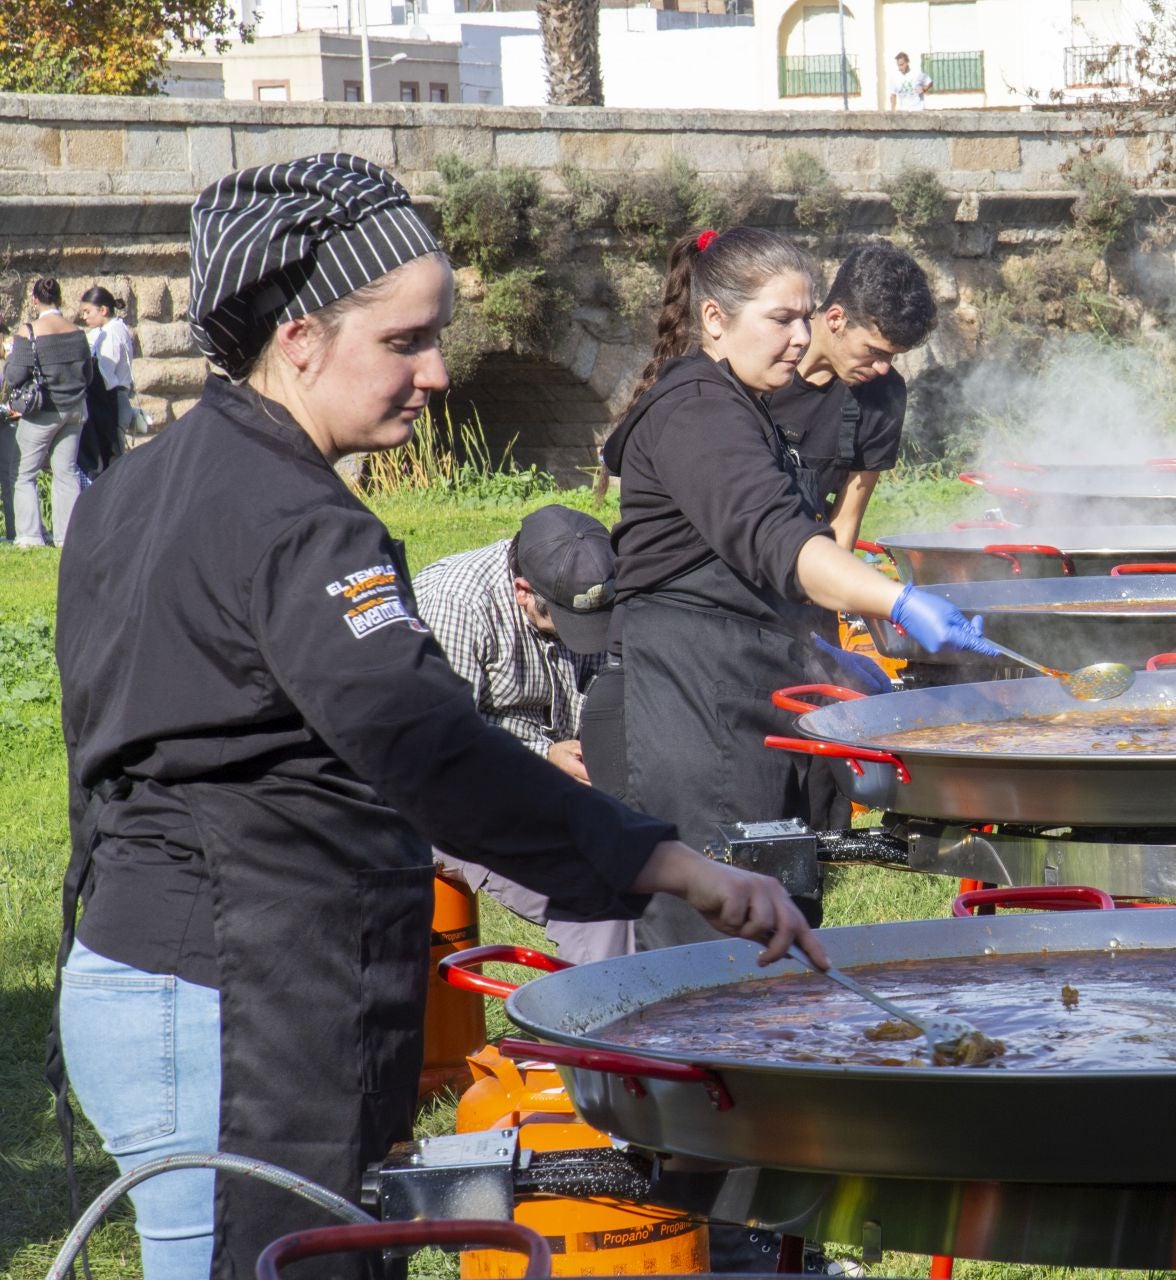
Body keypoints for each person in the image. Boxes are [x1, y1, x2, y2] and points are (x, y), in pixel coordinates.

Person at [50, 155, 824, 1280]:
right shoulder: (304, 525)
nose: (440, 371)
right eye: (406, 341)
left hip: (136, 970)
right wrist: (665, 862)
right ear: (301, 338)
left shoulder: (142, 479)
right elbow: (433, 751)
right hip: (240, 993)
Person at [600, 225, 993, 955]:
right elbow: (782, 541)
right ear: (715, 320)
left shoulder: (745, 403)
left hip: (746, 684)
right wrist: (897, 601)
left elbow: (795, 555)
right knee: (713, 955)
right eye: (782, 319)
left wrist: (831, 653)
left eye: (804, 317)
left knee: (777, 923)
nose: (799, 336)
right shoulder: (697, 411)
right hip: (690, 705)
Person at [413, 504, 661, 963]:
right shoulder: (456, 603)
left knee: (668, 854)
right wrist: (543, 755)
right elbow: (436, 748)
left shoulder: (599, 582)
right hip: (448, 798)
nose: (582, 642)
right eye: (566, 627)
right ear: (523, 591)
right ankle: (598, 1026)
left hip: (553, 790)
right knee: (599, 896)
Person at [767, 242, 935, 550]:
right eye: (875, 351)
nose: (883, 368)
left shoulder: (884, 393)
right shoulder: (762, 361)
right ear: (836, 319)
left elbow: (846, 518)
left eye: (894, 356)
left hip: (805, 559)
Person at [3, 277, 92, 545]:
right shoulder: (77, 332)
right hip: (75, 408)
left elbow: (15, 375)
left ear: (34, 300)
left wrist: (7, 360)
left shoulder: (29, 332)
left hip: (43, 411)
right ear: (60, 299)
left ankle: (30, 536)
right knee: (66, 472)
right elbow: (88, 374)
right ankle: (67, 538)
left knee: (22, 473)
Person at [77, 285, 135, 476]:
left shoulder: (112, 332)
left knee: (111, 455)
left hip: (110, 398)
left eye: (87, 312)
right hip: (112, 397)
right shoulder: (109, 330)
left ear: (103, 310)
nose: (84, 317)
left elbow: (105, 374)